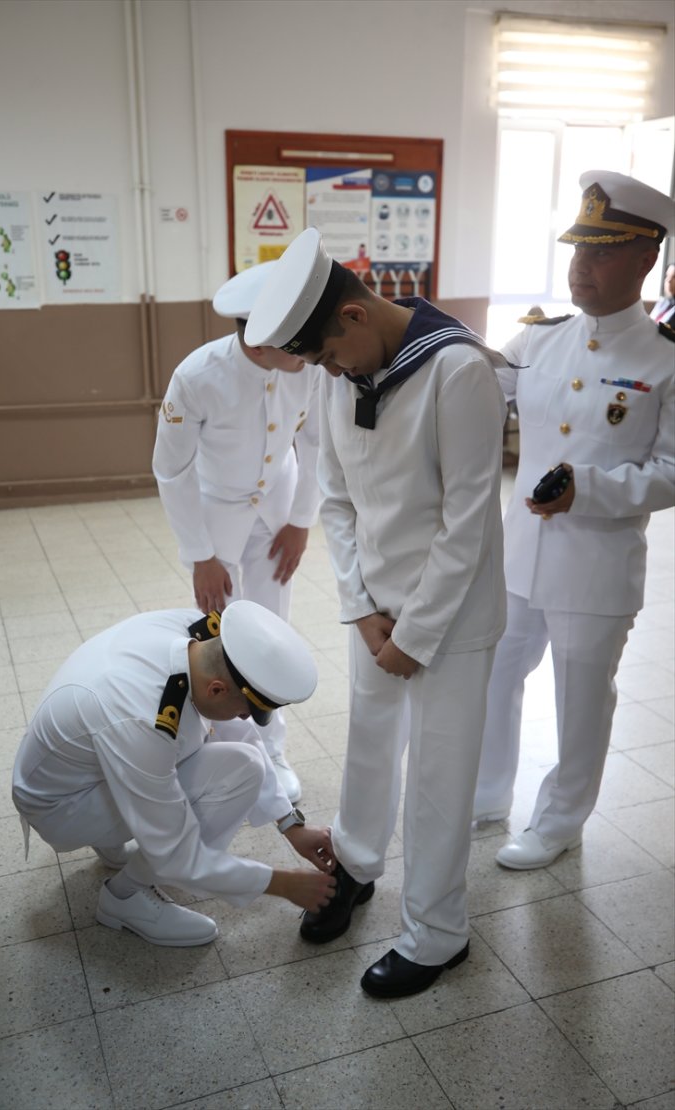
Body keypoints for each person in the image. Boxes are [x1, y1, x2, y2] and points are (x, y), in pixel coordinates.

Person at [245, 228, 508, 999]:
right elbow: (334, 499)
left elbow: (469, 522)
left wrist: (416, 634)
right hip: (377, 615)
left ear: (355, 317)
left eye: (328, 356)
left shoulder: (458, 372)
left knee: (436, 775)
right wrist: (362, 610)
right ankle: (357, 865)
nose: (328, 374)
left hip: (449, 622)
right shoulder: (339, 375)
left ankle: (436, 932)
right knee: (368, 744)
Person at [473, 170, 675, 868]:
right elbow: (473, 400)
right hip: (520, 550)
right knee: (496, 671)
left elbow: (672, 472)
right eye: (578, 249)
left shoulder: (663, 360)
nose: (581, 266)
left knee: (581, 696)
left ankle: (560, 820)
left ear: (648, 258)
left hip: (597, 562)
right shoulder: (537, 340)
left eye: (604, 251)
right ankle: (488, 792)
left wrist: (585, 490)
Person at [12, 601, 336, 946]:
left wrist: (291, 824)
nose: (244, 719)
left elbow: (239, 732)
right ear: (217, 689)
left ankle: (111, 841)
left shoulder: (195, 639)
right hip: (61, 807)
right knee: (241, 771)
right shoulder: (141, 716)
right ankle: (124, 899)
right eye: (245, 710)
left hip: (74, 770)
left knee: (213, 747)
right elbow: (176, 853)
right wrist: (282, 884)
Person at [152, 263, 321, 804]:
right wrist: (200, 554)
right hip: (217, 519)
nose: (306, 349)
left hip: (277, 513)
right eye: (293, 339)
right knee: (221, 639)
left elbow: (315, 444)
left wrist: (300, 519)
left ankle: (273, 753)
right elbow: (171, 469)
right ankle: (233, 749)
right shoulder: (198, 376)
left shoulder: (306, 367)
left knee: (272, 632)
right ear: (259, 334)